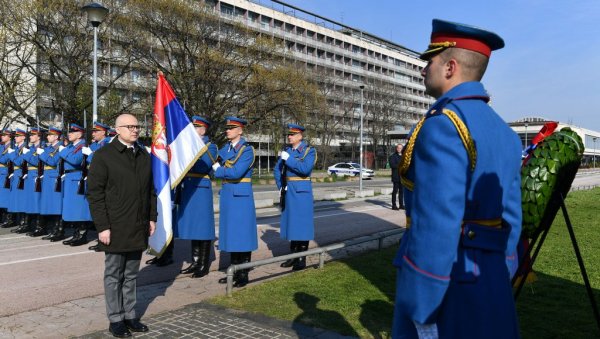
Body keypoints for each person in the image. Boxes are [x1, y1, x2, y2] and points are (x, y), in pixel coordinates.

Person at [392, 19, 522, 339]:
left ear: (450, 67)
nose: (424, 69)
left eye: (430, 61)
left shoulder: (443, 124)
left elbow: (436, 226)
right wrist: (497, 272)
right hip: (492, 282)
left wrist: (422, 308)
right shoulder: (505, 133)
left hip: (447, 291)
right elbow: (512, 222)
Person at [87, 113, 156, 338]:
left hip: (137, 224)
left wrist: (151, 217)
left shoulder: (143, 154)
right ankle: (115, 319)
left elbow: (150, 190)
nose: (135, 130)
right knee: (114, 274)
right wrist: (102, 226)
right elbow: (95, 194)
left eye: (137, 126)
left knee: (131, 274)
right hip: (115, 226)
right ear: (118, 130)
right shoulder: (104, 155)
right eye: (130, 126)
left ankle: (129, 315)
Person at [213, 116, 257, 288]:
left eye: (231, 128)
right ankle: (234, 270)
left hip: (241, 196)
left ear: (240, 130)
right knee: (232, 235)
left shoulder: (247, 150)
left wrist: (218, 169)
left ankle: (243, 273)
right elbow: (215, 160)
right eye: (227, 128)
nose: (227, 130)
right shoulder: (225, 149)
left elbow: (236, 172)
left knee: (242, 235)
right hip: (228, 195)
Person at [175, 116, 218, 278]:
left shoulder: (210, 146)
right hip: (188, 188)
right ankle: (194, 262)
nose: (192, 131)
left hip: (200, 189)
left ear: (203, 130)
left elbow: (203, 166)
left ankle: (203, 264)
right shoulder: (189, 146)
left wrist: (186, 157)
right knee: (194, 227)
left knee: (203, 228)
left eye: (195, 128)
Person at [274, 123, 316, 271]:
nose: (289, 137)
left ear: (300, 136)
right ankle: (293, 256)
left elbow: (305, 169)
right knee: (291, 224)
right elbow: (277, 170)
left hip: (302, 191)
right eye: (289, 135)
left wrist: (289, 159)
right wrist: (281, 186)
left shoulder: (309, 151)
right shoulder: (287, 151)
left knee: (301, 225)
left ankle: (301, 259)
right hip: (288, 190)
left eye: (292, 134)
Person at [58, 123, 92, 246]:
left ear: (80, 134)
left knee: (79, 208)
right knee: (72, 208)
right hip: (69, 178)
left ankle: (82, 235)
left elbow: (75, 160)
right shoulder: (73, 146)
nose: (69, 134)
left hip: (77, 179)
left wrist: (63, 152)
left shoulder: (82, 146)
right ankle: (76, 234)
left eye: (72, 132)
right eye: (69, 132)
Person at [84, 121, 113, 252]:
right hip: (95, 177)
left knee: (104, 209)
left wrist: (89, 154)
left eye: (96, 131)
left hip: (104, 180)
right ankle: (101, 238)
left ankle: (105, 240)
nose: (93, 133)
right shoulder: (96, 144)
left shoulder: (107, 144)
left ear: (103, 132)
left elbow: (97, 159)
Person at [38, 127, 67, 241]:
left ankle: (59, 230)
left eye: (50, 135)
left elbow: (53, 161)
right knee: (50, 205)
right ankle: (53, 230)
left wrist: (42, 154)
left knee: (57, 206)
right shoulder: (49, 147)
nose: (47, 137)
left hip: (55, 178)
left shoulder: (60, 148)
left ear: (56, 137)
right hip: (47, 177)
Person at [0, 129, 14, 228]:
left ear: (9, 136)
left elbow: (4, 160)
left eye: (5, 135)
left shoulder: (12, 146)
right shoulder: (1, 146)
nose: (2, 136)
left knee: (7, 197)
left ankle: (10, 218)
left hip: (6, 172)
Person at [389, 144, 404, 210]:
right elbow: (392, 165)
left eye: (400, 148)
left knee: (401, 191)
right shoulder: (392, 156)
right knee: (395, 191)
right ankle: (394, 205)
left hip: (402, 177)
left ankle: (401, 205)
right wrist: (401, 165)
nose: (399, 149)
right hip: (396, 177)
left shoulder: (404, 156)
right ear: (396, 148)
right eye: (398, 148)